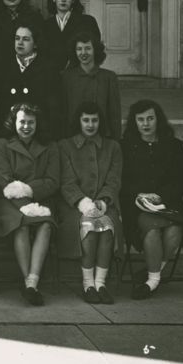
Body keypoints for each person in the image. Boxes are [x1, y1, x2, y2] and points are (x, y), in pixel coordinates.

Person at [119, 99, 183, 301]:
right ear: (134, 122)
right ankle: (152, 280)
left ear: (158, 120)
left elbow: (182, 181)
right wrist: (142, 195)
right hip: (137, 207)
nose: (146, 124)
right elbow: (122, 181)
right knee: (151, 229)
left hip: (168, 203)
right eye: (141, 119)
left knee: (174, 231)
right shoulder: (125, 147)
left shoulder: (176, 146)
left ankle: (152, 275)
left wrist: (161, 196)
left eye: (150, 118)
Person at [0, 103, 60, 306]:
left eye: (31, 122)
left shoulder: (51, 147)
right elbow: (4, 179)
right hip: (8, 201)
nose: (26, 126)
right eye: (22, 121)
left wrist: (29, 191)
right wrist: (24, 202)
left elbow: (53, 181)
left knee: (45, 225)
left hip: (40, 200)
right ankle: (28, 281)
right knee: (21, 225)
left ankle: (32, 283)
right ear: (14, 122)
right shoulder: (0, 145)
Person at [59, 103, 123, 304]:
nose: (90, 124)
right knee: (88, 225)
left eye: (94, 120)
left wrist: (103, 201)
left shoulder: (112, 147)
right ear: (79, 121)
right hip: (74, 206)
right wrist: (83, 203)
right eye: (86, 120)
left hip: (106, 203)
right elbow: (66, 181)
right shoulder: (65, 146)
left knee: (106, 226)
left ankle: (101, 283)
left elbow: (114, 179)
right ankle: (88, 285)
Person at [0, 24, 59, 137]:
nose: (20, 43)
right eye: (17, 38)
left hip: (37, 132)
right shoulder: (3, 67)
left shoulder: (48, 69)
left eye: (26, 39)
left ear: (36, 43)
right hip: (8, 132)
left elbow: (53, 107)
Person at [60, 35, 122, 140]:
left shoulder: (108, 77)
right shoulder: (66, 77)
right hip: (73, 138)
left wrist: (115, 139)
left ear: (95, 50)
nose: (83, 53)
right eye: (79, 49)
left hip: (102, 138)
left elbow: (114, 113)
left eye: (88, 48)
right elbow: (63, 110)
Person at [40, 0, 102, 75]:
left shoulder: (87, 21)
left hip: (80, 73)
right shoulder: (46, 25)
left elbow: (95, 48)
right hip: (53, 74)